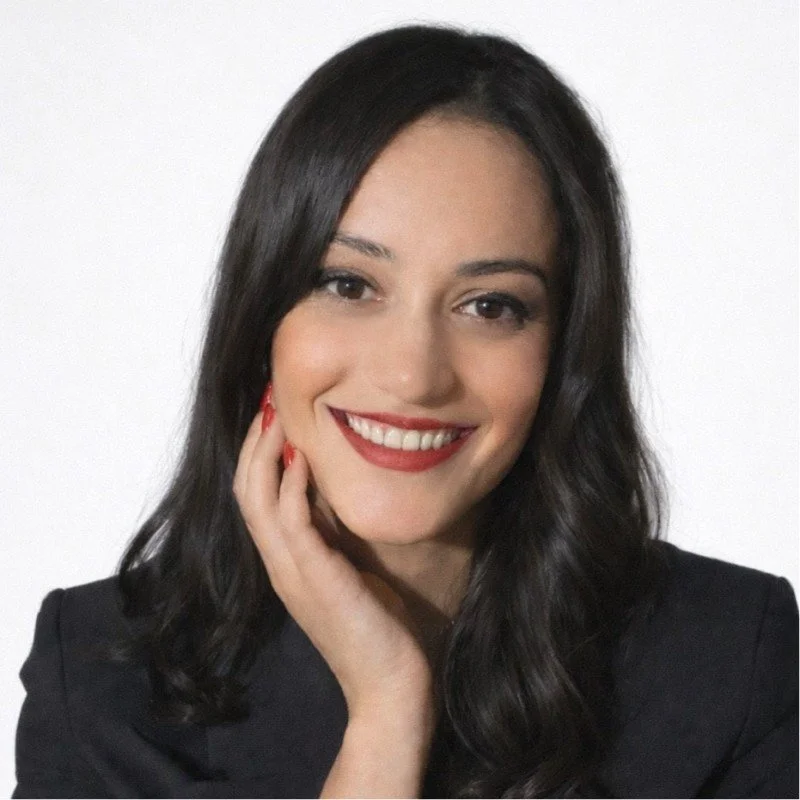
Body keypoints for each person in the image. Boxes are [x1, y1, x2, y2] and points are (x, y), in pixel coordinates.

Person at [13, 24, 797, 799]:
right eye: (349, 285)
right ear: (263, 323)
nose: (413, 376)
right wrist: (386, 712)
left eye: (489, 305)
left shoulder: (732, 662)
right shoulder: (98, 689)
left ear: (564, 353)